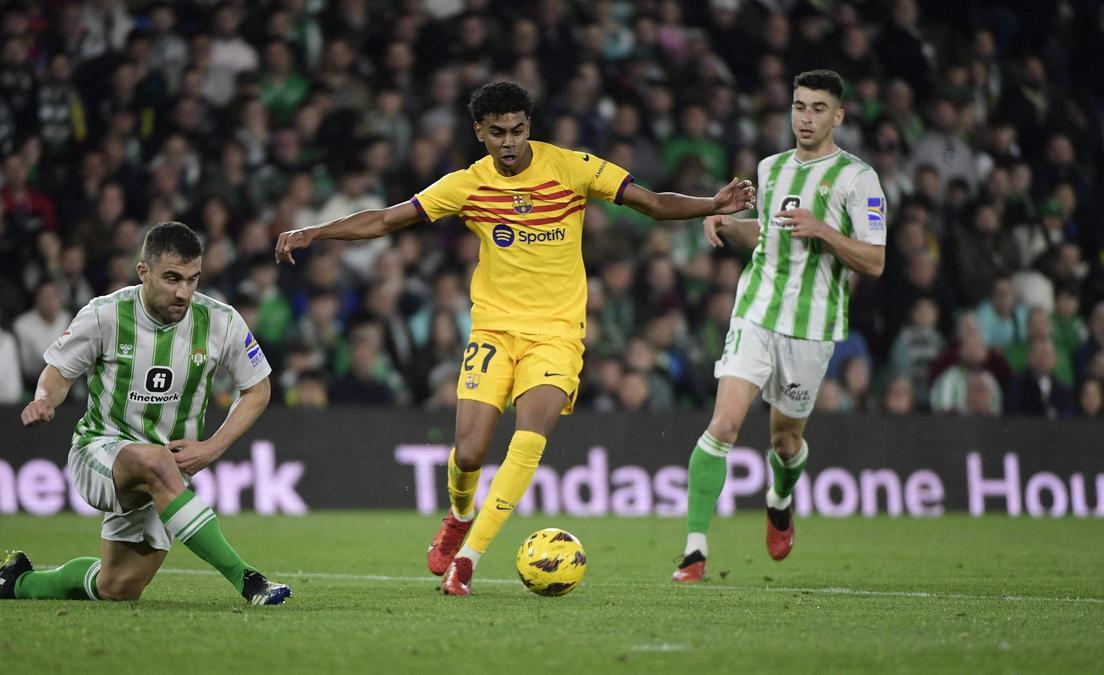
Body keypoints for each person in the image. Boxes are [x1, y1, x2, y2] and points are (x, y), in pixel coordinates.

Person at [275, 81, 754, 596]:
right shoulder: (465, 185)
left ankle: (468, 559)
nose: (509, 141)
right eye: (498, 132)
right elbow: (386, 219)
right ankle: (459, 515)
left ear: (530, 126)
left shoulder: (572, 167)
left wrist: (711, 203)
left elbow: (654, 203)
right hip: (494, 331)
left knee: (528, 441)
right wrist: (316, 231)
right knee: (469, 453)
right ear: (479, 132)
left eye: (518, 130)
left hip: (556, 336)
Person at [0, 222, 291, 606]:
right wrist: (45, 398)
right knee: (156, 461)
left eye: (192, 279)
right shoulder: (105, 314)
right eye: (171, 278)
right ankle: (248, 580)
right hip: (100, 451)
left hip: (166, 472)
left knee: (117, 587)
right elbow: (59, 371)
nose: (183, 292)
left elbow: (258, 388)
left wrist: (213, 447)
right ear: (143, 272)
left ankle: (19, 581)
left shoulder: (221, 320)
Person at [674, 70, 887, 582]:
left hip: (811, 329)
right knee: (723, 425)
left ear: (838, 115)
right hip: (756, 311)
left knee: (785, 444)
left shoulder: (859, 180)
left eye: (817, 108)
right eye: (798, 106)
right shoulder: (770, 169)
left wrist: (824, 231)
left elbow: (875, 262)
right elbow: (771, 236)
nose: (805, 117)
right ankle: (694, 551)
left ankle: (780, 495)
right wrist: (728, 224)